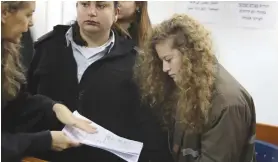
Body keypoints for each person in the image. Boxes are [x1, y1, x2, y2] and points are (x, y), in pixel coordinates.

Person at [28, 1, 172, 162]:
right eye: (85, 4)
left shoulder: (135, 61)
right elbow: (24, 103)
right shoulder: (46, 48)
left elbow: (148, 124)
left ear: (116, 13)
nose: (91, 12)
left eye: (101, 6)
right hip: (46, 156)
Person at [135, 14, 257, 162]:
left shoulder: (228, 102)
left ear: (189, 53)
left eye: (168, 60)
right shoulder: (190, 84)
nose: (165, 68)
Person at [1, 2, 96, 162]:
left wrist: (54, 108)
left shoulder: (7, 53)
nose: (31, 22)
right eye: (28, 15)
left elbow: (15, 102)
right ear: (4, 13)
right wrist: (46, 141)